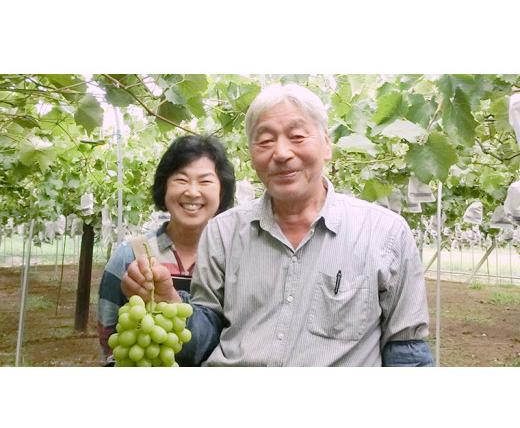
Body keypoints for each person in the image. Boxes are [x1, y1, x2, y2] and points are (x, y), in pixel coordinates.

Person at [124, 84, 434, 366]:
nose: (282, 153)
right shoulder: (222, 232)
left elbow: (406, 349)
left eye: (298, 137)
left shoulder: (386, 234)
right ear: (252, 154)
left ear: (326, 144)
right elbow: (204, 339)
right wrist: (169, 302)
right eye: (265, 141)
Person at [97, 134, 235, 365]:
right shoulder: (129, 255)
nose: (192, 192)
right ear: (164, 187)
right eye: (181, 180)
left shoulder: (235, 259)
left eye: (205, 181)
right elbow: (109, 338)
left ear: (222, 192)